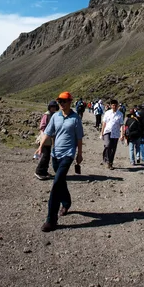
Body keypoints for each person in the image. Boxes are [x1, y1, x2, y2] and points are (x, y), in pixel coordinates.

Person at [39, 91, 84, 232]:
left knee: (57, 182)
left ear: (70, 102)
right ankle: (66, 202)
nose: (61, 104)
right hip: (55, 154)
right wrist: (40, 147)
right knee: (61, 181)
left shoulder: (75, 118)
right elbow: (48, 133)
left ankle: (51, 220)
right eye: (59, 101)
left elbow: (79, 138)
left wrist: (79, 155)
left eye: (64, 101)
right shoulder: (55, 117)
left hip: (68, 155)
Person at [34, 100, 59, 179]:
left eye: (54, 107)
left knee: (47, 155)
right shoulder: (46, 115)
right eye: (52, 107)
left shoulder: (55, 115)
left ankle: (44, 171)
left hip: (51, 137)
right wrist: (45, 134)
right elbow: (42, 126)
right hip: (45, 137)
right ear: (49, 107)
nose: (53, 108)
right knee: (45, 155)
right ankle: (39, 171)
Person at [100, 99, 124, 170]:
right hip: (107, 131)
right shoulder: (107, 113)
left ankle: (110, 163)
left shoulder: (120, 114)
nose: (114, 106)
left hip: (116, 133)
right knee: (107, 145)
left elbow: (122, 125)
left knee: (113, 149)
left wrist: (122, 134)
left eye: (115, 105)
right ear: (111, 106)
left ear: (117, 106)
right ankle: (106, 159)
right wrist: (102, 132)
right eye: (113, 105)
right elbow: (104, 123)